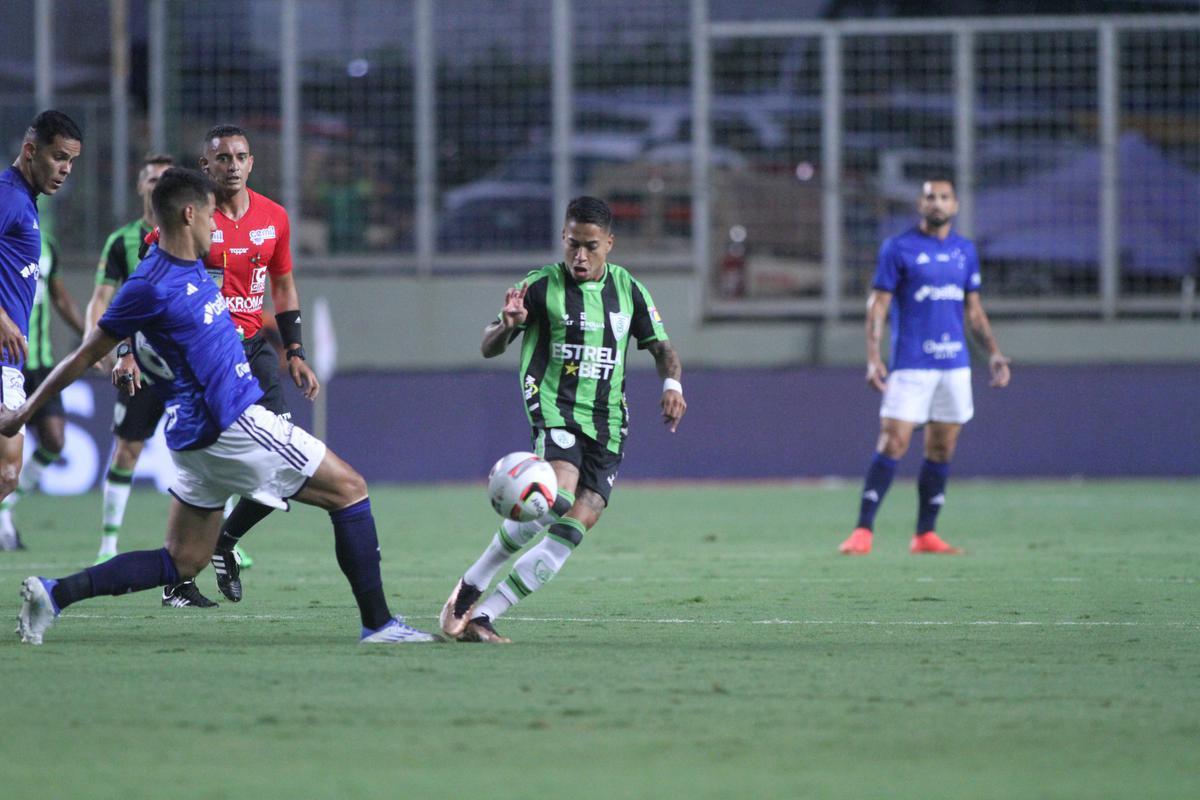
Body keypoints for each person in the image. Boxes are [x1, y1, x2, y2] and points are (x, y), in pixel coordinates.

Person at [12, 167, 434, 645]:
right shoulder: (152, 284)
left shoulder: (183, 262)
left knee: (181, 560)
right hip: (230, 422)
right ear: (189, 214)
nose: (218, 224)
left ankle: (54, 594)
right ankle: (379, 625)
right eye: (211, 215)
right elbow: (85, 353)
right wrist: (25, 411)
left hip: (194, 438)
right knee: (351, 490)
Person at [438, 196, 687, 643]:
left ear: (609, 243)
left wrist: (673, 386)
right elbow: (487, 345)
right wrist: (509, 325)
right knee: (557, 495)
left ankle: (484, 617)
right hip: (555, 407)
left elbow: (662, 349)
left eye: (591, 246)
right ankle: (471, 586)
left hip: (609, 421)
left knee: (575, 525)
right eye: (573, 244)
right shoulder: (538, 286)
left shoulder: (629, 290)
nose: (580, 256)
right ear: (563, 238)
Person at [143, 124, 319, 606]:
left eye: (241, 157)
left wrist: (296, 352)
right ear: (206, 167)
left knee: (281, 461)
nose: (233, 166)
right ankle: (178, 579)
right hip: (208, 354)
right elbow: (150, 269)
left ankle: (225, 542)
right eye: (222, 159)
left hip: (256, 349)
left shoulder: (274, 218)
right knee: (211, 468)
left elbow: (282, 286)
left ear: (252, 163)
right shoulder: (191, 216)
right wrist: (130, 348)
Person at [838, 178, 1010, 556]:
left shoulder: (965, 251)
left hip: (955, 366)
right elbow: (878, 305)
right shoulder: (898, 248)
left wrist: (994, 353)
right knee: (893, 442)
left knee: (942, 449)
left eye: (944, 198)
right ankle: (863, 531)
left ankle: (925, 535)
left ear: (956, 205)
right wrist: (873, 356)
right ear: (920, 204)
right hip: (911, 365)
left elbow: (974, 311)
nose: (937, 203)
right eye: (931, 197)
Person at [83, 154, 176, 569]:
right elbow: (102, 299)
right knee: (127, 450)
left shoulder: (194, 232)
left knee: (214, 449)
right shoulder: (123, 241)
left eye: (166, 179)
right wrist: (97, 344)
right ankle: (107, 542)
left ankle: (221, 541)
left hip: (189, 362)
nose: (158, 185)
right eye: (152, 178)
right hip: (139, 360)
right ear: (141, 186)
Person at [0, 110, 82, 535]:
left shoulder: (24, 203)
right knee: (6, 473)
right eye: (59, 157)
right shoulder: (8, 196)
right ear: (31, 151)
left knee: (9, 473)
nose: (65, 170)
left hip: (11, 362)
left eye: (71, 161)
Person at [0, 226, 86, 550]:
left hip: (39, 363)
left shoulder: (46, 244)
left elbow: (60, 296)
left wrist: (91, 337)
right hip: (6, 362)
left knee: (54, 439)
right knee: (6, 465)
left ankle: (6, 508)